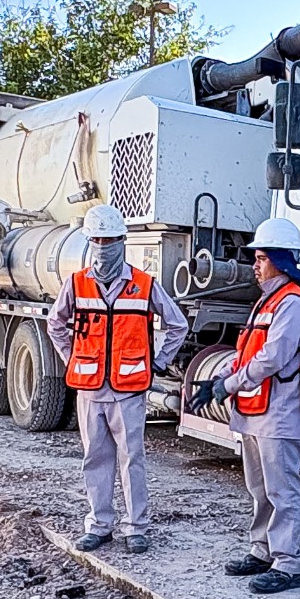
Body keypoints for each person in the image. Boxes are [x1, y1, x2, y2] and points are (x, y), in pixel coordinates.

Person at [48, 203, 186, 555]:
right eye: (96, 239)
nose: (103, 246)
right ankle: (99, 526)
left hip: (129, 390)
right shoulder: (76, 284)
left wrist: (158, 363)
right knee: (95, 458)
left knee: (131, 459)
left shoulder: (143, 284)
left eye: (109, 240)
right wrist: (73, 359)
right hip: (91, 389)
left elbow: (177, 324)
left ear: (122, 241)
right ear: (89, 242)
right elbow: (55, 325)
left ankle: (136, 527)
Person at [194, 217, 300, 595]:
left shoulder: (293, 303)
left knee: (282, 490)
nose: (255, 265)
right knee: (260, 488)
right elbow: (248, 350)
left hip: (278, 412)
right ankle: (262, 551)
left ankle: (287, 564)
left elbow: (272, 357)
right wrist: (221, 379)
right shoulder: (268, 302)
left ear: (281, 260)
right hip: (256, 410)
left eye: (261, 257)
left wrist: (228, 384)